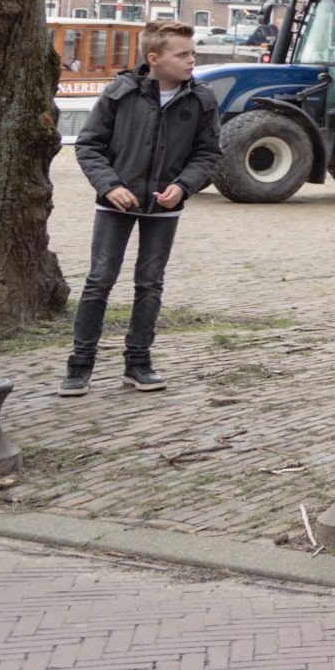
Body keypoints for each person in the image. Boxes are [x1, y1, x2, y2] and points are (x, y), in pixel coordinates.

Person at [65, 20, 225, 396]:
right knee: (99, 281)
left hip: (164, 209)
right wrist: (110, 187)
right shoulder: (119, 93)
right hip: (114, 206)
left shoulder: (202, 98)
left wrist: (183, 187)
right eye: (182, 54)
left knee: (150, 283)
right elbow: (89, 145)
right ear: (154, 58)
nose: (191, 60)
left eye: (193, 53)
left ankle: (138, 363)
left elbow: (208, 154)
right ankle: (78, 365)